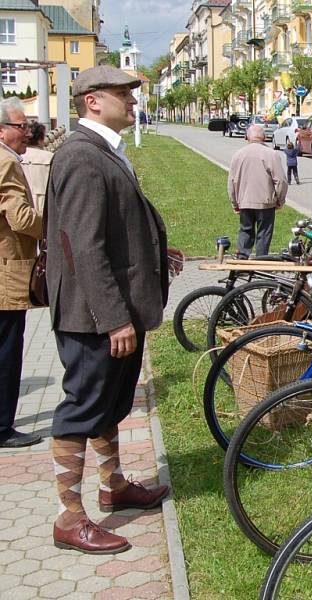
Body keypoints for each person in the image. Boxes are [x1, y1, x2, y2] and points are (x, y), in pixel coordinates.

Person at [47, 65, 182, 554]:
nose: (132, 100)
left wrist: (156, 253)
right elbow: (83, 245)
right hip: (93, 317)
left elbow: (116, 226)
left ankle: (114, 486)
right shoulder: (82, 156)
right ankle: (69, 516)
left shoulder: (104, 150)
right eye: (122, 93)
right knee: (81, 409)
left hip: (111, 310)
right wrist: (113, 317)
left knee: (109, 403)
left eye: (132, 93)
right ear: (92, 101)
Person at [0, 97, 43, 449]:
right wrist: (55, 225)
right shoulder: (6, 162)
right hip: (6, 274)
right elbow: (22, 219)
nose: (26, 132)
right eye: (20, 126)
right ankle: (3, 427)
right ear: (2, 130)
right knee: (7, 352)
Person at [228, 123, 288, 257]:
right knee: (264, 233)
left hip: (244, 201)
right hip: (266, 202)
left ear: (246, 138)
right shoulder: (271, 154)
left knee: (245, 230)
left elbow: (231, 183)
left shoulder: (238, 155)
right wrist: (280, 199)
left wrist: (235, 203)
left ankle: (242, 262)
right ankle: (261, 262)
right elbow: (281, 181)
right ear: (264, 137)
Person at [21, 120, 53, 215]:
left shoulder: (17, 157)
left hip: (24, 202)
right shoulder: (50, 157)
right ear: (40, 139)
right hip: (45, 202)